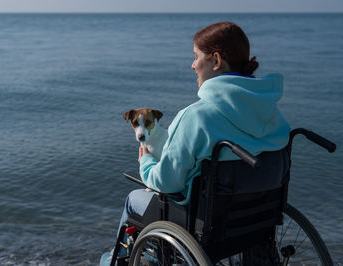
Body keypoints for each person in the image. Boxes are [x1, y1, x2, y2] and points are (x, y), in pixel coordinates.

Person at [100, 21, 290, 265]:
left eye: (196, 57)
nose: (192, 65)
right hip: (258, 220)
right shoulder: (272, 114)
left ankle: (115, 261)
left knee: (133, 199)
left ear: (216, 60)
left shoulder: (196, 116)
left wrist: (146, 161)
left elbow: (166, 183)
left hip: (206, 224)